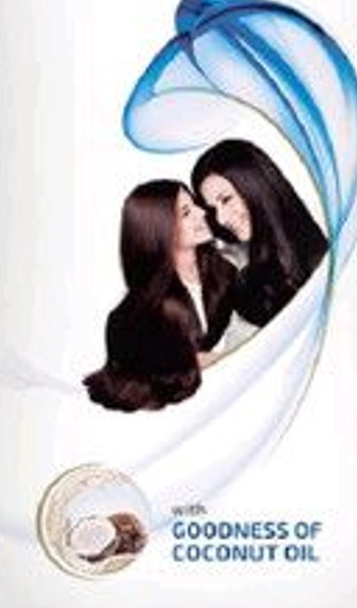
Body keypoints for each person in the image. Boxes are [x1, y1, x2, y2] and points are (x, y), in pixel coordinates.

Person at [83, 180, 236, 412]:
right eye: (186, 213)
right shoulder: (135, 315)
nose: (202, 212)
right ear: (160, 229)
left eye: (195, 204)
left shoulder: (227, 270)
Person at [192, 139, 328, 327]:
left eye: (226, 199)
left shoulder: (324, 258)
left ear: (255, 186)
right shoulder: (246, 280)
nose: (221, 219)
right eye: (213, 208)